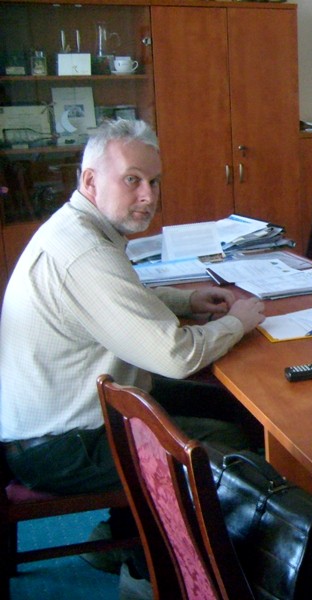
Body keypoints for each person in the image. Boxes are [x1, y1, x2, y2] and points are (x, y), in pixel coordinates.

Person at [0, 119, 265, 585]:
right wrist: (236, 323)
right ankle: (187, 572)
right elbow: (176, 356)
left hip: (79, 409)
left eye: (154, 181)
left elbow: (118, 299)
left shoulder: (80, 228)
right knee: (231, 445)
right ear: (90, 180)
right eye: (132, 180)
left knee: (234, 404)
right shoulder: (84, 253)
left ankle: (127, 535)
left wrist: (187, 301)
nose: (148, 195)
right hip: (60, 446)